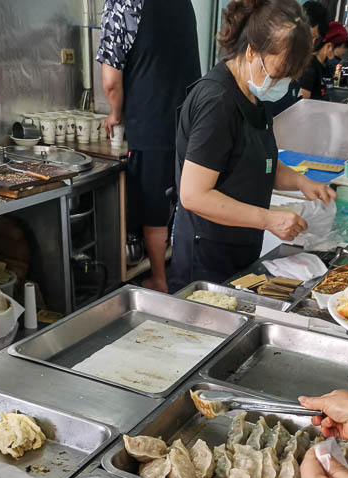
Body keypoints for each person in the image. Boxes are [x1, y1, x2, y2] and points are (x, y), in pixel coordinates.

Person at [168, 0, 335, 294]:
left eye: (289, 77)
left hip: (240, 246)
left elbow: (258, 162)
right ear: (251, 52)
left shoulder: (256, 96)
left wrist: (299, 181)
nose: (281, 82)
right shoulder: (217, 103)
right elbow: (194, 195)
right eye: (279, 72)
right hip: (206, 252)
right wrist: (268, 219)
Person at [97, 0, 201, 293]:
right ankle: (185, 276)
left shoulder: (122, 4)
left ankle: (159, 279)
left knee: (154, 207)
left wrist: (115, 113)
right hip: (192, 119)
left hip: (152, 118)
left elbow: (111, 81)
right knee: (184, 201)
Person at [299, 23, 348, 100]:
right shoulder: (310, 67)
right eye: (338, 56)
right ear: (329, 46)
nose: (338, 60)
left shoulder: (326, 66)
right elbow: (302, 102)